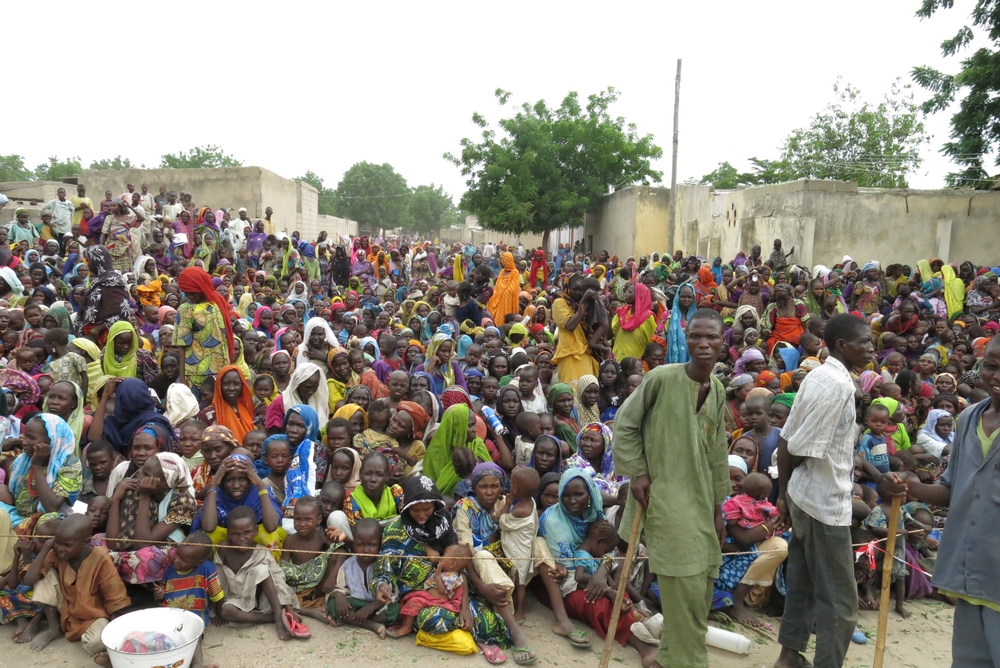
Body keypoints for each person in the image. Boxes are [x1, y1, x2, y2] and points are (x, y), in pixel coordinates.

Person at [614, 308, 732, 668]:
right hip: (663, 497)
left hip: (700, 500)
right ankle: (688, 660)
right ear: (685, 337)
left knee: (701, 584)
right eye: (696, 335)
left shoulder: (717, 389)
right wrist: (638, 473)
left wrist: (717, 508)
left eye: (711, 337)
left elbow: (716, 452)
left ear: (722, 342)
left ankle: (669, 657)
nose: (703, 343)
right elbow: (625, 424)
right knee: (681, 582)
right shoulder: (662, 379)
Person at [885, 334, 1000, 667]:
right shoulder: (968, 420)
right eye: (991, 367)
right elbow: (953, 490)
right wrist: (909, 487)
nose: (997, 377)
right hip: (970, 571)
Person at [773, 313, 874, 668]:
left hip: (805, 496)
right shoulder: (837, 386)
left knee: (801, 582)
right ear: (843, 346)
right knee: (840, 603)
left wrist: (785, 494)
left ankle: (789, 656)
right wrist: (786, 493)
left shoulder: (820, 375)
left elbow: (787, 439)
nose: (871, 347)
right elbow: (798, 446)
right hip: (822, 502)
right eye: (865, 341)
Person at [24, 514, 131, 665]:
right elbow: (29, 580)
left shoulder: (100, 557)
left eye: (67, 545)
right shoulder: (56, 553)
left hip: (93, 613)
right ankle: (54, 628)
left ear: (86, 542)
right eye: (58, 543)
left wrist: (114, 636)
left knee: (98, 641)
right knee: (44, 575)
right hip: (66, 606)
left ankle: (83, 634)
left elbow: (115, 598)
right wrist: (47, 547)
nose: (60, 549)